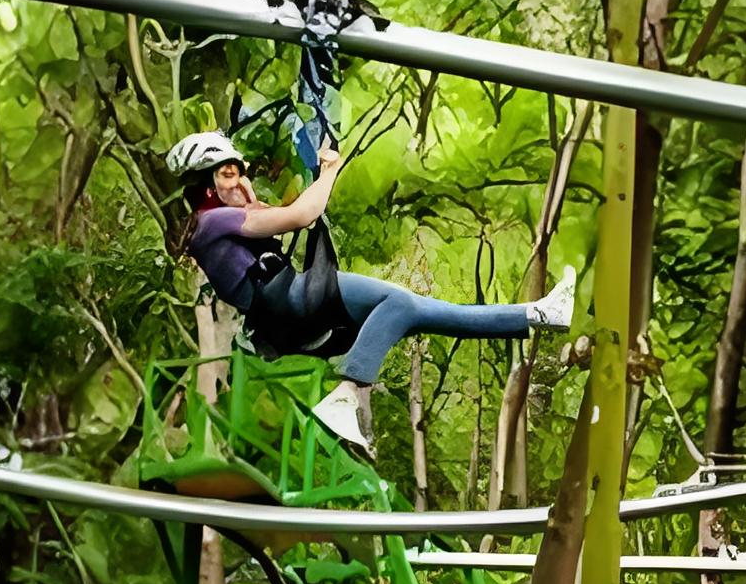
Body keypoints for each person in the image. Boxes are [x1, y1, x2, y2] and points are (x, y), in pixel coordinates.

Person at [165, 129, 573, 454]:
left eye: (241, 171)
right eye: (229, 173)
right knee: (397, 301)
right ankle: (349, 389)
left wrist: (249, 194)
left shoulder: (220, 221)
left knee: (425, 310)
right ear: (205, 185)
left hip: (285, 307)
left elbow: (278, 215)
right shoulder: (211, 223)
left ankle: (538, 315)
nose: (241, 180)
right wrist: (329, 172)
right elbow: (302, 214)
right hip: (287, 298)